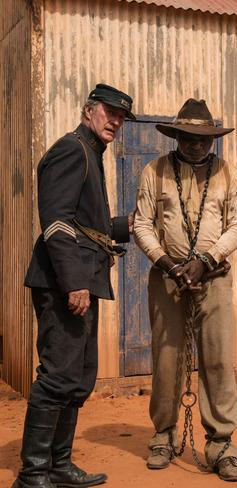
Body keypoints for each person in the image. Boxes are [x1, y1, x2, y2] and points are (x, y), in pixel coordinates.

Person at [18, 83, 135, 488]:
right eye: (110, 112)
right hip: (64, 283)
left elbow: (91, 227)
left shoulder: (91, 153)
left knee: (79, 377)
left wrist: (126, 225)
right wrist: (74, 283)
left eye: (122, 117)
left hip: (81, 279)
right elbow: (56, 223)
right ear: (89, 111)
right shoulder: (72, 149)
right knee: (57, 375)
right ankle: (33, 474)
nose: (116, 122)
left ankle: (58, 465)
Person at [133, 98, 237, 482]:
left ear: (213, 139)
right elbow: (142, 225)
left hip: (214, 278)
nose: (197, 144)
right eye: (189, 137)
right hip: (168, 279)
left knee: (217, 360)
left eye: (204, 138)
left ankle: (221, 444)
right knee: (167, 358)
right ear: (177, 135)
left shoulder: (227, 173)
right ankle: (163, 436)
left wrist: (208, 260)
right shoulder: (156, 171)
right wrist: (168, 263)